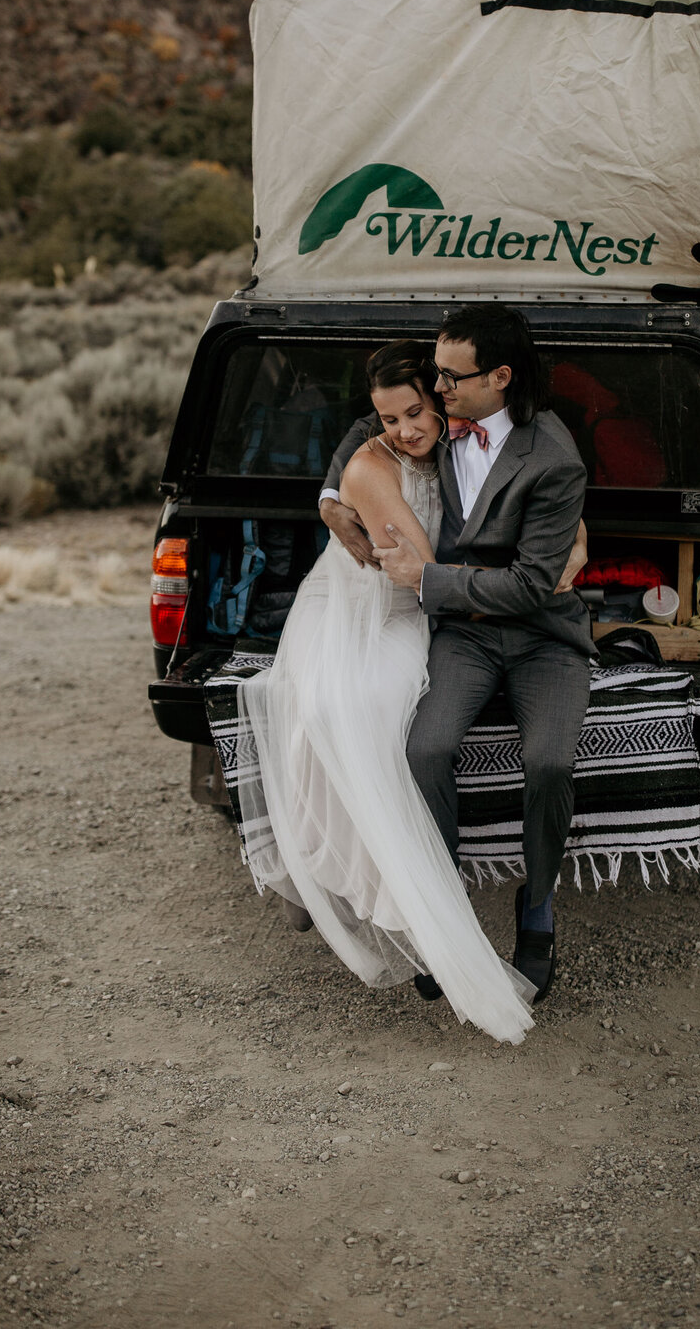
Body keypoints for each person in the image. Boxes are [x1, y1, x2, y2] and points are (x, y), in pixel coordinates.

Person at [237, 340, 537, 1044]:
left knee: (370, 710)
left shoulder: (472, 437)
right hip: (364, 607)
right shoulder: (370, 466)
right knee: (338, 708)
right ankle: (378, 888)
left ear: (439, 395)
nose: (404, 428)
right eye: (388, 417)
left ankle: (371, 881)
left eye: (414, 411)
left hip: (418, 609)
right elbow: (422, 578)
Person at [321, 303, 593, 1004]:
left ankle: (537, 905)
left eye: (448, 376)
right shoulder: (433, 425)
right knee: (426, 749)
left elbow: (535, 584)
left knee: (551, 762)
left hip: (542, 636)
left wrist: (429, 580)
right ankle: (444, 909)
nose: (435, 389)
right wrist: (330, 493)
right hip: (465, 636)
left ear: (498, 378)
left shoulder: (555, 455)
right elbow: (371, 425)